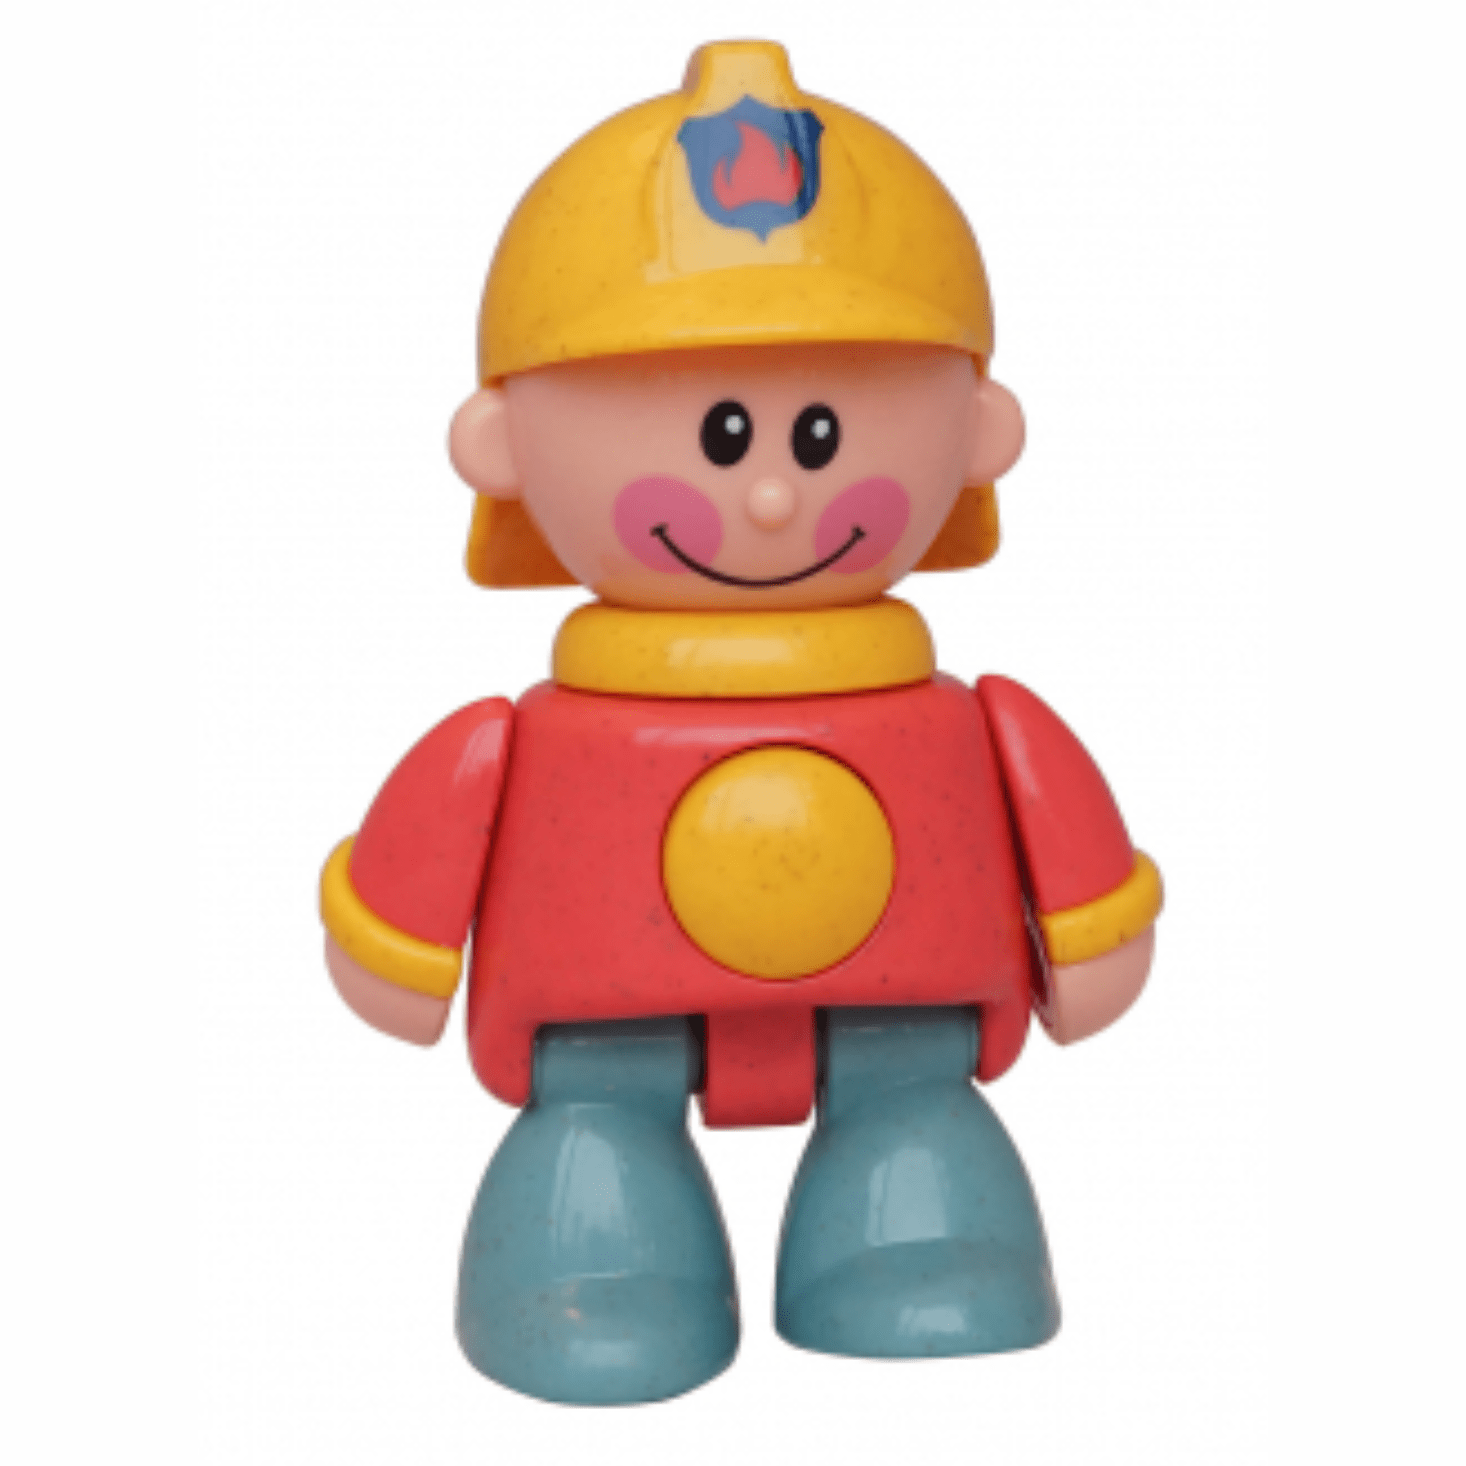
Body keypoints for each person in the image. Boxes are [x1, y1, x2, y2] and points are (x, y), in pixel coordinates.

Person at [319, 40, 1162, 1405]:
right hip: (600, 1055)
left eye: (821, 436)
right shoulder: (532, 739)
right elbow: (431, 844)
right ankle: (593, 1261)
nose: (771, 495)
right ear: (503, 443)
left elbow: (1058, 828)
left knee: (915, 1096)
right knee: (595, 1117)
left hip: (908, 1037)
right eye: (720, 434)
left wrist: (1090, 932)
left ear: (979, 428)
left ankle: (912, 1238)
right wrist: (396, 947)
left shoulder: (965, 718)